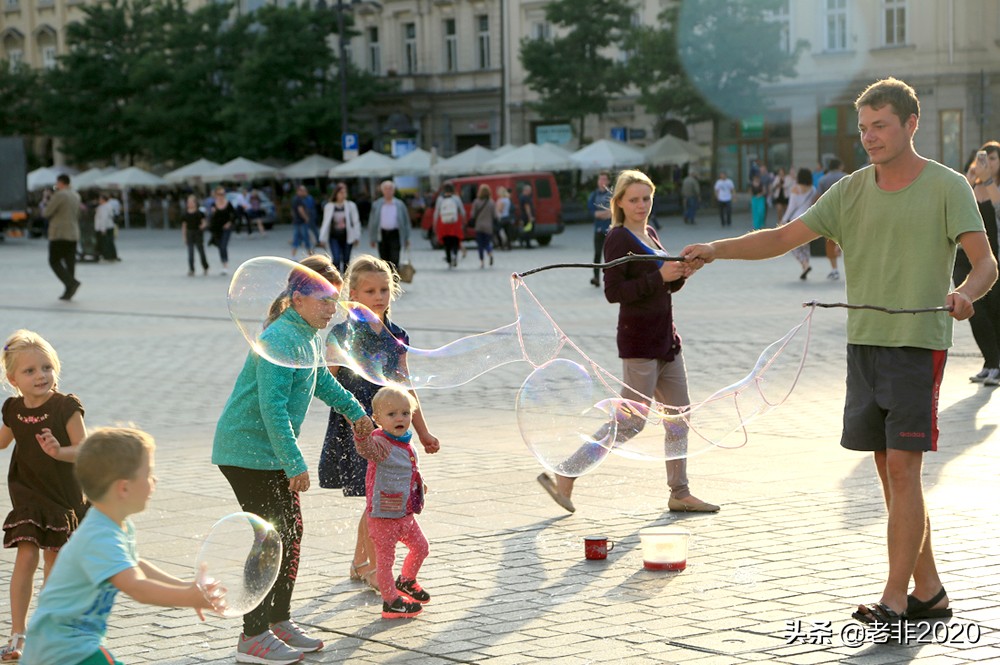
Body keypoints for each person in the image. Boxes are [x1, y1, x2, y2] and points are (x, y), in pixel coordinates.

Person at [682, 77, 998, 625]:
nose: (869, 137)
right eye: (863, 128)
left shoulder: (948, 186)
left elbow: (986, 263)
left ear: (911, 124)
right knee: (890, 471)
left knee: (903, 470)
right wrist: (714, 249)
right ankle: (929, 590)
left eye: (880, 126)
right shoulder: (850, 190)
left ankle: (895, 597)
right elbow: (781, 237)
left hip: (917, 345)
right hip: (863, 346)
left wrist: (966, 294)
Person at [212, 254, 374, 663]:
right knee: (270, 537)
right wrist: (294, 463)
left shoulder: (307, 335)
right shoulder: (279, 339)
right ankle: (252, 635)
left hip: (269, 452)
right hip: (245, 451)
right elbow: (273, 408)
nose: (331, 309)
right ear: (297, 298)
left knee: (290, 533)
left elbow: (321, 381)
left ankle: (277, 620)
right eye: (323, 300)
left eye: (335, 300)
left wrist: (356, 412)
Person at [537, 170, 719, 515]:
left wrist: (681, 274)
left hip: (667, 340)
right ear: (619, 202)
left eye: (646, 198)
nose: (641, 205)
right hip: (639, 342)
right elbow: (614, 292)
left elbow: (663, 286)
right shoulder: (618, 238)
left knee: (679, 417)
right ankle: (567, 472)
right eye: (633, 199)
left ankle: (680, 492)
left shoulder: (650, 233)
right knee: (631, 421)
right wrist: (659, 275)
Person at [21, 428, 219, 665]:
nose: (155, 480)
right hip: (61, 649)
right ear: (124, 488)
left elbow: (135, 565)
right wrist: (188, 597)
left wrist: (187, 586)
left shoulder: (114, 525)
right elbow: (137, 587)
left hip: (64, 647)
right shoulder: (99, 536)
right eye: (149, 474)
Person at [318, 255, 440, 595]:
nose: (378, 297)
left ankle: (361, 564)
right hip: (357, 428)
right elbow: (326, 383)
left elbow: (406, 387)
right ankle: (372, 568)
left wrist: (423, 431)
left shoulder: (396, 335)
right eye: (370, 291)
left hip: (390, 431)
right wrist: (350, 415)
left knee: (372, 501)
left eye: (384, 290)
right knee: (374, 504)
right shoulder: (341, 334)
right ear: (353, 295)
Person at [0, 330, 88, 661]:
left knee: (54, 560)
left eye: (47, 367)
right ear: (13, 379)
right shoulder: (13, 409)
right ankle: (18, 634)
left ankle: (46, 631)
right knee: (25, 557)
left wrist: (58, 451)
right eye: (30, 370)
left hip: (62, 497)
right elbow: (2, 442)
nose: (41, 375)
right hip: (28, 494)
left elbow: (84, 450)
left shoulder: (65, 406)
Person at [353, 386, 434, 619]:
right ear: (377, 419)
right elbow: (366, 449)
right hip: (384, 515)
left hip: (405, 513)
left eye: (405, 413)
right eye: (391, 414)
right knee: (385, 561)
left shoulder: (405, 440)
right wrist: (361, 434)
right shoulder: (380, 442)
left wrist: (419, 484)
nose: (400, 418)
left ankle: (406, 581)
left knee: (421, 547)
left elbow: (408, 468)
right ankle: (391, 602)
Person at [957, 142, 1000, 386]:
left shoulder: (995, 187)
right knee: (975, 312)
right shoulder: (970, 184)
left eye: (992, 159)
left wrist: (988, 181)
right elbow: (956, 206)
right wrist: (970, 179)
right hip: (965, 259)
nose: (987, 164)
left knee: (995, 312)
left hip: (993, 259)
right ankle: (990, 362)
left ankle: (995, 364)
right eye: (983, 159)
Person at [44, 174, 82, 301]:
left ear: (61, 183)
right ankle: (68, 290)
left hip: (59, 233)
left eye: (57, 183)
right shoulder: (76, 195)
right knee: (70, 262)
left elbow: (47, 212)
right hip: (73, 232)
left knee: (54, 261)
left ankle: (71, 283)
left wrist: (48, 199)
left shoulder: (60, 195)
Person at [781, 168, 817, 280]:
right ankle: (805, 266)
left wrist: (784, 220)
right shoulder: (813, 189)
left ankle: (805, 265)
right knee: (805, 245)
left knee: (792, 245)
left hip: (796, 220)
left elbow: (791, 207)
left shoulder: (795, 189)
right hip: (809, 219)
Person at [815, 158, 848, 280]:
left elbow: (818, 197)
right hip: (846, 212)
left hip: (829, 214)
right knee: (849, 241)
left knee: (830, 242)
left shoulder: (823, 180)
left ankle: (834, 269)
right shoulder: (847, 177)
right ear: (839, 166)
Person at [319, 183, 362, 274]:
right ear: (336, 193)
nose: (343, 194)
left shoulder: (351, 205)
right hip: (334, 236)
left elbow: (356, 222)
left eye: (345, 192)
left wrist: (357, 236)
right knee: (336, 258)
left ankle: (346, 277)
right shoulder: (329, 206)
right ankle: (336, 277)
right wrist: (322, 238)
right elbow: (325, 223)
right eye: (341, 192)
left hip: (347, 236)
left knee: (346, 259)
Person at [368, 181, 411, 271]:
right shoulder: (377, 204)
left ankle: (394, 276)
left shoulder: (399, 204)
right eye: (386, 189)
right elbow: (372, 222)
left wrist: (407, 238)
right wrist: (372, 238)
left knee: (395, 257)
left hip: (395, 233)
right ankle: (386, 276)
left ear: (393, 191)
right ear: (382, 191)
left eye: (390, 189)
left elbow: (406, 221)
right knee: (384, 258)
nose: (388, 191)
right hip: (382, 234)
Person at [433, 183, 467, 269]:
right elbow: (462, 211)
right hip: (454, 222)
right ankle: (454, 254)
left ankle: (449, 259)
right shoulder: (456, 198)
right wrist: (464, 221)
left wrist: (435, 224)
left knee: (446, 242)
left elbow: (436, 212)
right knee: (455, 241)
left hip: (443, 223)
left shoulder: (440, 199)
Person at [588, 172, 613, 286]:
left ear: (608, 181)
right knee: (597, 254)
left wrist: (603, 214)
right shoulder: (594, 195)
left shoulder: (612, 195)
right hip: (598, 229)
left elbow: (613, 212)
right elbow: (593, 213)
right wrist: (605, 213)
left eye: (604, 179)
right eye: (600, 179)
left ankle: (610, 278)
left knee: (610, 255)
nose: (602, 182)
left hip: (610, 229)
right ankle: (596, 277)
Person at [208, 187, 236, 274]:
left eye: (223, 194)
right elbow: (211, 219)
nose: (221, 196)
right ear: (216, 195)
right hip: (217, 229)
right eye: (219, 194)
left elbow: (234, 216)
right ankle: (223, 262)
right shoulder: (213, 205)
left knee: (223, 245)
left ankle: (225, 264)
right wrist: (213, 213)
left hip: (226, 228)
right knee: (220, 246)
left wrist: (229, 223)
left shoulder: (228, 204)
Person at [181, 194, 210, 277]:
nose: (190, 204)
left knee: (201, 251)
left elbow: (204, 222)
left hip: (198, 233)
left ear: (195, 203)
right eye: (188, 202)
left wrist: (203, 226)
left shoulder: (199, 213)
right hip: (189, 233)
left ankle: (205, 267)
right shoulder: (185, 214)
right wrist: (184, 237)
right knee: (190, 252)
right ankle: (191, 269)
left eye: (191, 202)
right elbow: (184, 226)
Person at [470, 184, 497, 269]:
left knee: (480, 245)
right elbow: (495, 215)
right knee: (487, 243)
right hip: (488, 227)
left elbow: (473, 214)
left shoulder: (476, 202)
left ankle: (482, 262)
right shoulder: (491, 202)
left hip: (479, 226)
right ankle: (490, 253)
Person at [290, 185, 316, 258]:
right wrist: (306, 218)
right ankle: (311, 256)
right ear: (299, 191)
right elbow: (300, 210)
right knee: (306, 238)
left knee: (297, 238)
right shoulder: (299, 200)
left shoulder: (295, 199)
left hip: (297, 221)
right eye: (303, 191)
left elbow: (292, 211)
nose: (305, 192)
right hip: (301, 222)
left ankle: (293, 256)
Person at [93, 193, 120, 262]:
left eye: (100, 199)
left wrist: (103, 229)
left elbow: (103, 218)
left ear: (103, 200)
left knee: (106, 243)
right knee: (110, 242)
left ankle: (108, 256)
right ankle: (112, 255)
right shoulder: (107, 206)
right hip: (109, 226)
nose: (99, 200)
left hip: (105, 227)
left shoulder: (104, 207)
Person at [495, 186, 514, 251]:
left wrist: (497, 208)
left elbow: (500, 209)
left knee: (497, 231)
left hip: (502, 218)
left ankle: (501, 244)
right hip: (507, 217)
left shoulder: (501, 200)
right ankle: (509, 245)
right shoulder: (508, 200)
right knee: (507, 232)